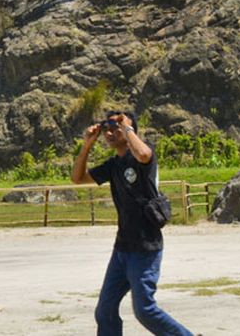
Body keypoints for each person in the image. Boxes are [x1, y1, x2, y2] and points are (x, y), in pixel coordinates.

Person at [71, 110, 194, 336]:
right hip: (122, 249)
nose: (108, 132)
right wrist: (87, 145)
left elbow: (145, 154)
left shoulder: (140, 158)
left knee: (144, 310)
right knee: (105, 311)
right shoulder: (113, 165)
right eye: (105, 128)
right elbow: (78, 178)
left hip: (146, 248)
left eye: (114, 127)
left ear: (129, 129)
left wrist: (127, 128)